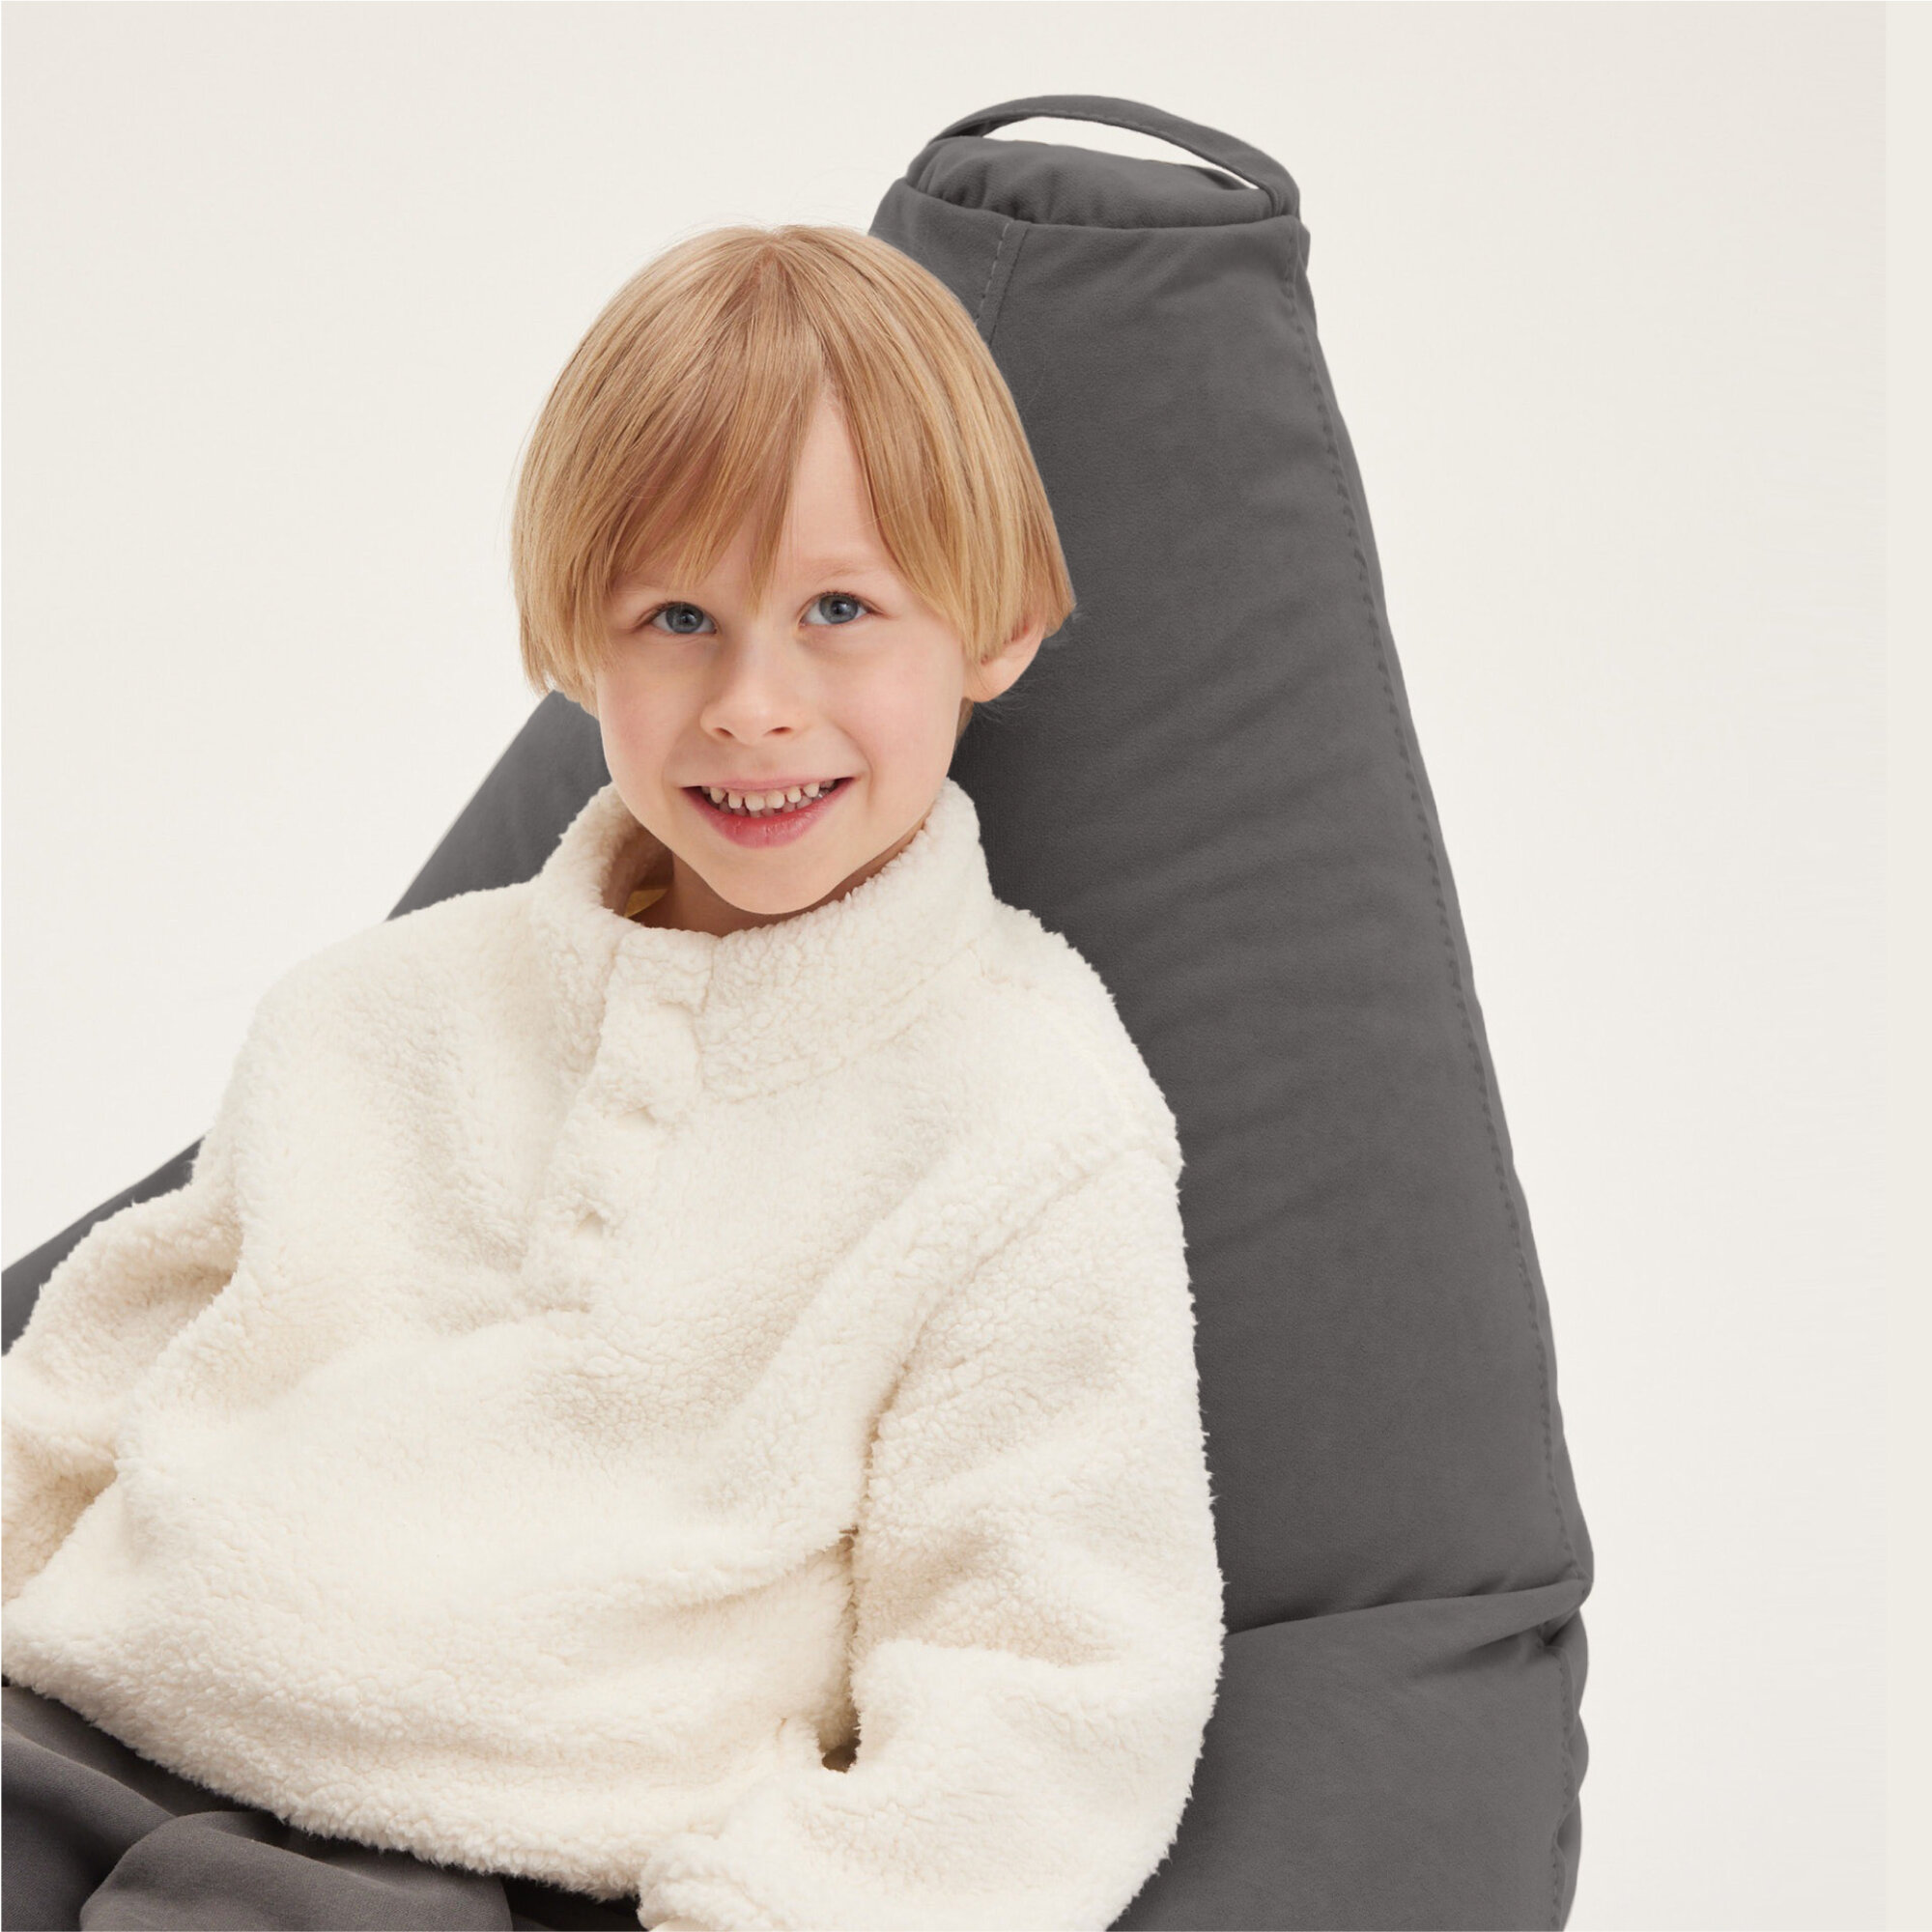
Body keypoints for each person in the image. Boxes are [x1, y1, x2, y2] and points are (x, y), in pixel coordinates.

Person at [0, 223, 1226, 1932]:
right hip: (67, 1717)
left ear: (996, 625)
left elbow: (1052, 1672)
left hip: (468, 1858)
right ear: (579, 640)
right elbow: (76, 1390)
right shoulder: (368, 1013)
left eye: (841, 610)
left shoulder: (1028, 1126)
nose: (753, 703)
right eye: (677, 617)